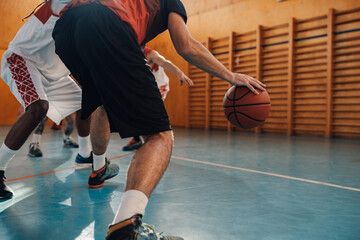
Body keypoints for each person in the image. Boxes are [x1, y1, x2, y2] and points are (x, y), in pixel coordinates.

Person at [52, 0, 266, 239]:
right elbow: (185, 45)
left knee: (101, 103)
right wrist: (229, 75)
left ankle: (98, 168)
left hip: (66, 30)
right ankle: (126, 226)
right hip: (105, 24)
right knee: (160, 135)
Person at [0, 0, 119, 200]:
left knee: (87, 103)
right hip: (22, 60)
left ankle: (85, 156)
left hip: (54, 75)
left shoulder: (91, 17)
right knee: (38, 108)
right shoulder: (64, 3)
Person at [123, 46, 193, 151]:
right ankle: (137, 138)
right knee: (135, 108)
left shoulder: (150, 54)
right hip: (145, 84)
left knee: (149, 110)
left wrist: (179, 73)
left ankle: (159, 137)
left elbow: (165, 62)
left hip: (159, 83)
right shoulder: (127, 52)